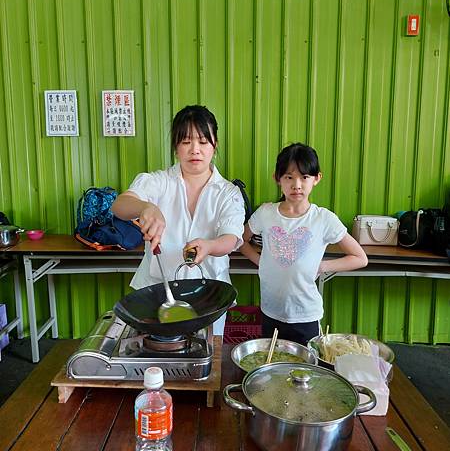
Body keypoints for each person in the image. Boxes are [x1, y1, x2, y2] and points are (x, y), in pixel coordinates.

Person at [112, 105, 245, 335]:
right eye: (186, 141)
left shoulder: (228, 192)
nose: (195, 150)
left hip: (210, 297)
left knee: (207, 361)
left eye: (203, 142)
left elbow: (231, 238)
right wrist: (145, 206)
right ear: (176, 146)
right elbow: (120, 206)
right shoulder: (158, 182)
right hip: (156, 293)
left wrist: (210, 245)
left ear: (215, 145)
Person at [240, 142, 368, 345]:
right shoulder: (265, 213)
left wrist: (323, 266)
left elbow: (360, 258)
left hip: (305, 315)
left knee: (306, 370)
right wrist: (260, 261)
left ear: (317, 178)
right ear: (277, 179)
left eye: (304, 177)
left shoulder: (324, 219)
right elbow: (241, 240)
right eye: (289, 177)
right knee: (271, 368)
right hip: (270, 311)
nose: (296, 185)